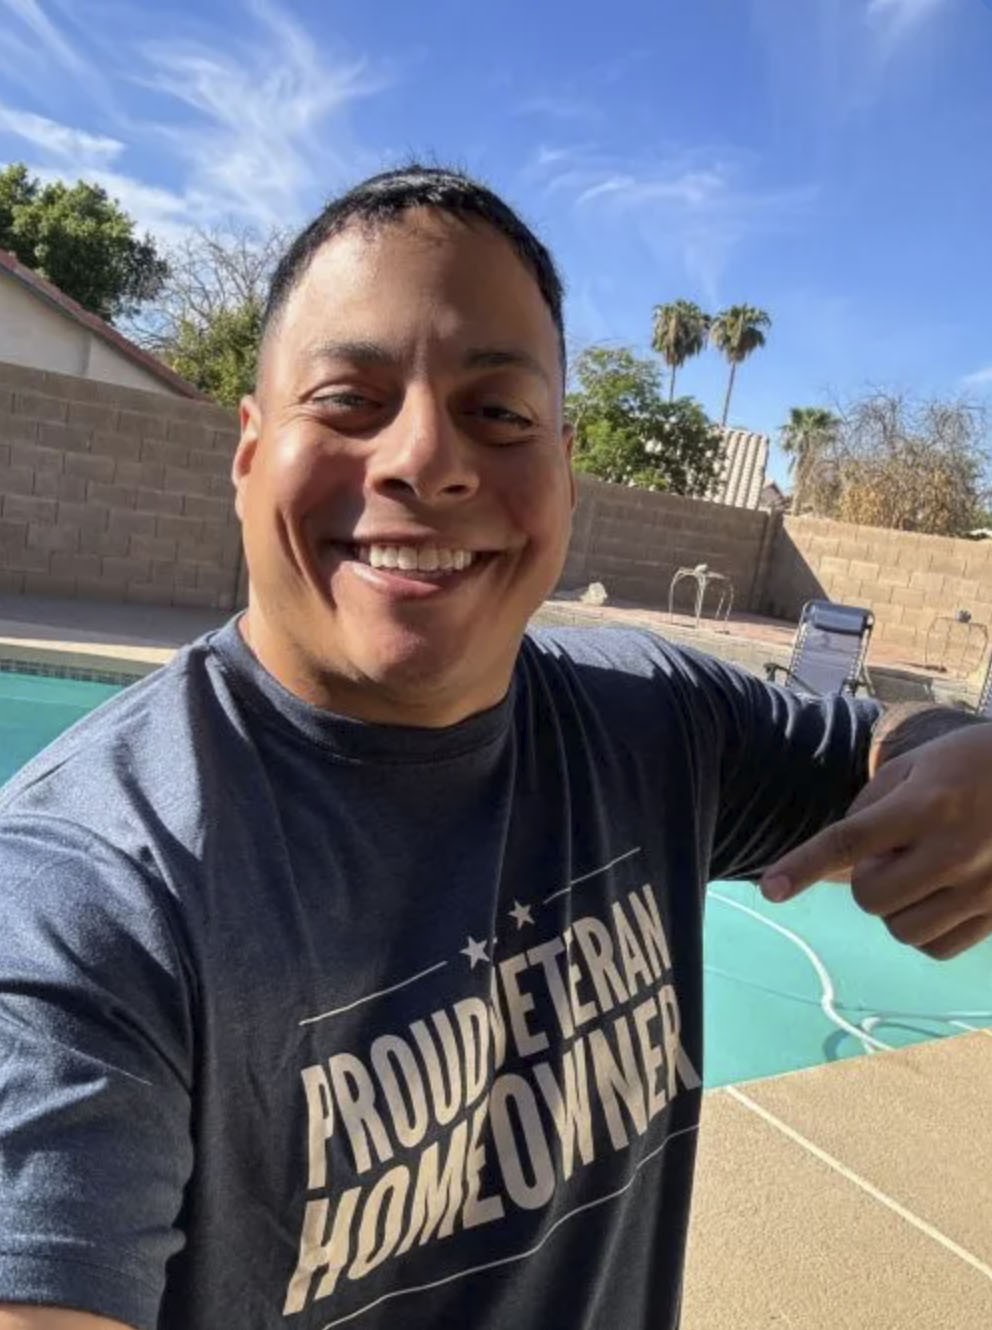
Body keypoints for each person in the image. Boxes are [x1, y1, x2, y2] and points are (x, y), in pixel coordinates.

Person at [0, 165, 989, 1330]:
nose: (426, 458)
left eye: (499, 413)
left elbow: (886, 743)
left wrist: (960, 746)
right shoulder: (90, 890)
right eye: (348, 399)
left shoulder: (656, 722)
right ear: (248, 452)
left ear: (563, 471)